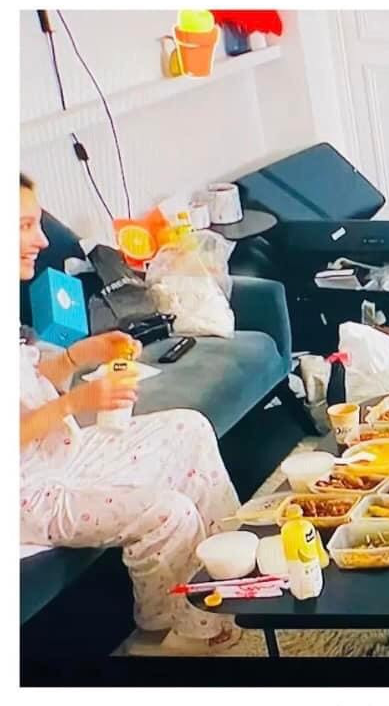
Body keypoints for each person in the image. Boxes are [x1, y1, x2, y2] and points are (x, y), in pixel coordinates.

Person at [19, 175, 241, 652]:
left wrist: (80, 356)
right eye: (25, 226)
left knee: (188, 427)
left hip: (57, 453)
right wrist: (75, 403)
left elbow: (28, 383)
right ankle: (168, 627)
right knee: (167, 514)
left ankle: (233, 571)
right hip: (22, 495)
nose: (41, 240)